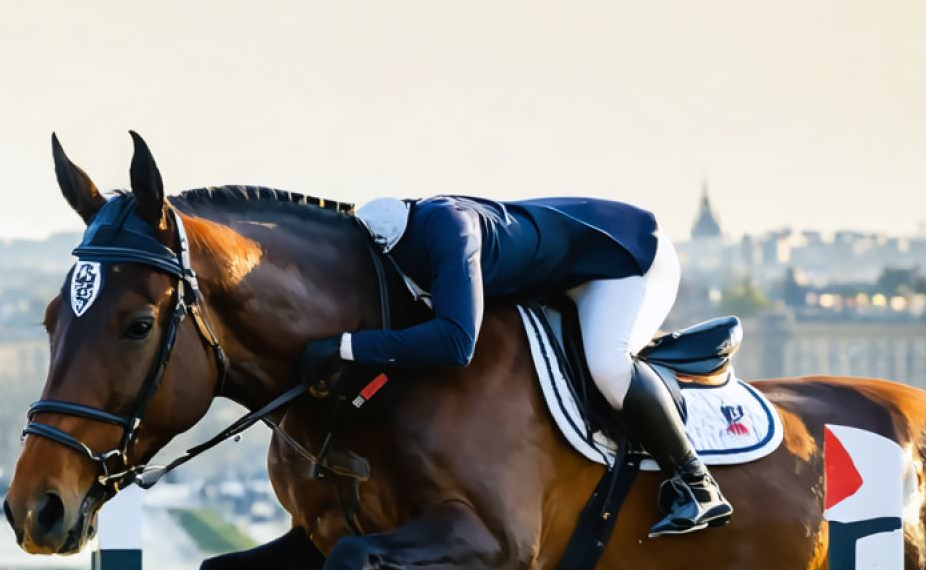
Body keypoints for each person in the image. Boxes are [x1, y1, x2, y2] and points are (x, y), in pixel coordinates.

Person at [299, 195, 732, 536]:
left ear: (399, 250)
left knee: (609, 367)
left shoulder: (450, 234)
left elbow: (456, 343)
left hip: (630, 259)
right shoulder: (418, 231)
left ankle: (697, 483)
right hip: (572, 272)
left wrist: (346, 347)